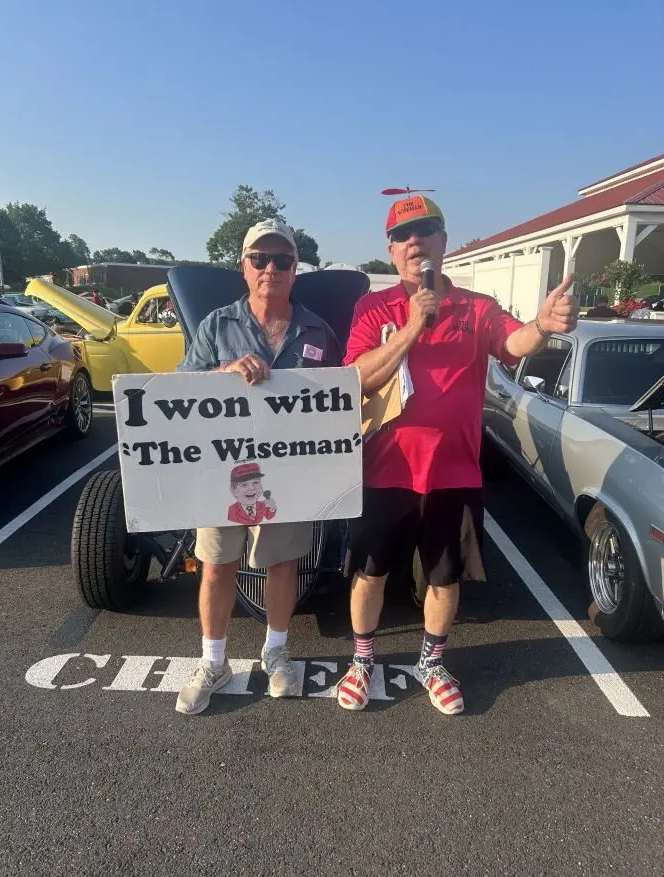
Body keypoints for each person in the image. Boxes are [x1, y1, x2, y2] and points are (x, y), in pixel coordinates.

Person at [337, 195, 579, 715]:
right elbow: (357, 378)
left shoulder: (477, 307)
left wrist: (542, 325)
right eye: (402, 235)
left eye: (425, 230)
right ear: (390, 248)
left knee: (444, 578)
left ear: (444, 241)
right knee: (371, 573)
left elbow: (514, 342)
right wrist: (412, 327)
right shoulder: (372, 308)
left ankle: (431, 663)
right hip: (385, 471)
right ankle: (362, 660)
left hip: (453, 472)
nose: (414, 242)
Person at [175, 219, 342, 715]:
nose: (271, 268)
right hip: (223, 469)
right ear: (244, 267)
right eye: (260, 259)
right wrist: (222, 374)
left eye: (282, 260)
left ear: (295, 269)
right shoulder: (216, 325)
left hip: (289, 472)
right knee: (216, 563)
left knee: (282, 563)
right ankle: (214, 662)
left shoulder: (318, 330)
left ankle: (276, 653)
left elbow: (339, 399)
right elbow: (178, 388)